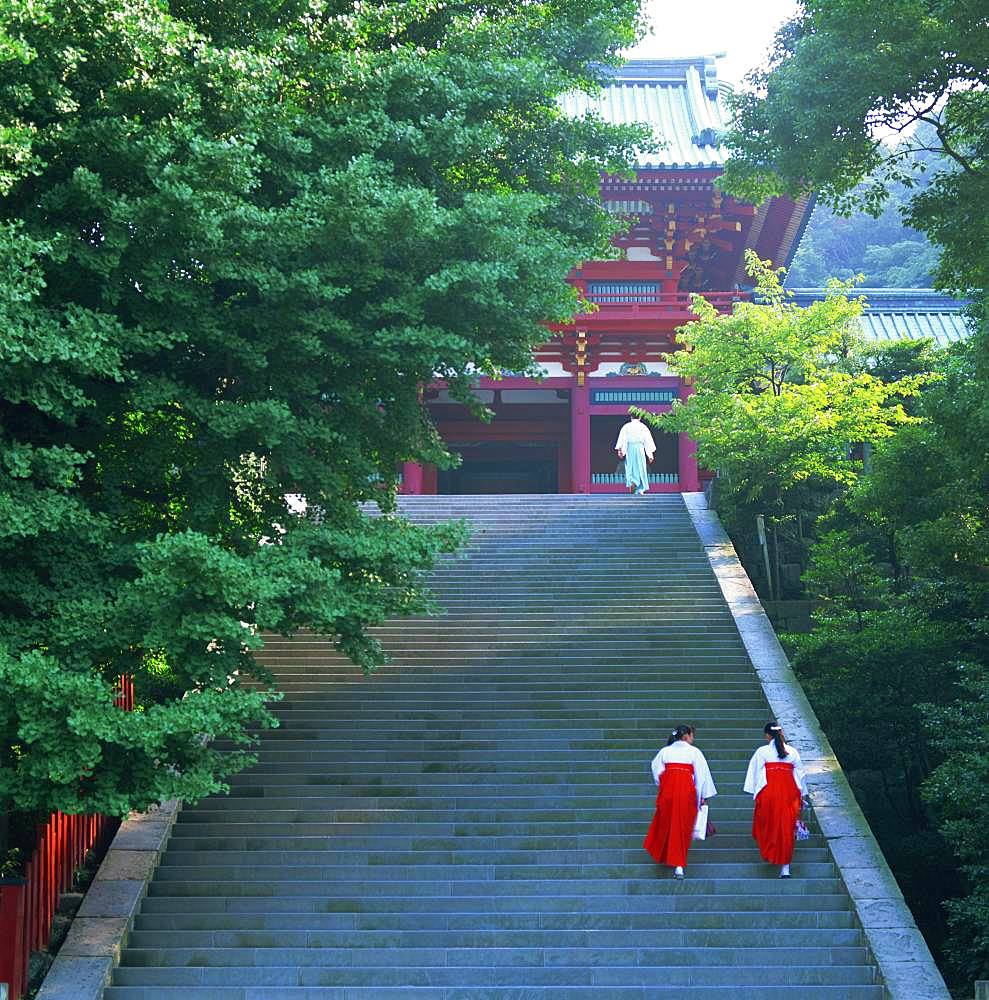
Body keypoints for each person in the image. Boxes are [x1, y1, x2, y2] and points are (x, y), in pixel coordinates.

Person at [643, 724, 717, 879]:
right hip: (686, 793)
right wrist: (702, 796)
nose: (693, 739)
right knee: (682, 828)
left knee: (666, 824)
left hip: (668, 793)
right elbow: (701, 775)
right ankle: (678, 865)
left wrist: (666, 784)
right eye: (692, 735)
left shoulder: (665, 751)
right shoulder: (694, 752)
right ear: (687, 736)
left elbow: (657, 772)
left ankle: (668, 856)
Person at [743, 721, 809, 878]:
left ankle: (770, 853)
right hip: (789, 793)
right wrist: (802, 794)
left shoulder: (762, 751)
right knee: (786, 829)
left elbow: (755, 773)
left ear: (767, 735)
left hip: (769, 792)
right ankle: (785, 867)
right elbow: (800, 774)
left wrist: (755, 792)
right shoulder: (792, 751)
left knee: (767, 825)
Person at [614, 412, 656, 495]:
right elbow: (647, 441)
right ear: (640, 418)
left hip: (630, 448)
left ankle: (632, 481)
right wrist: (650, 455)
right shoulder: (643, 427)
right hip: (640, 447)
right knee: (641, 467)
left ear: (631, 417)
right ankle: (640, 487)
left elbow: (622, 438)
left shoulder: (626, 426)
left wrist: (620, 450)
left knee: (630, 467)